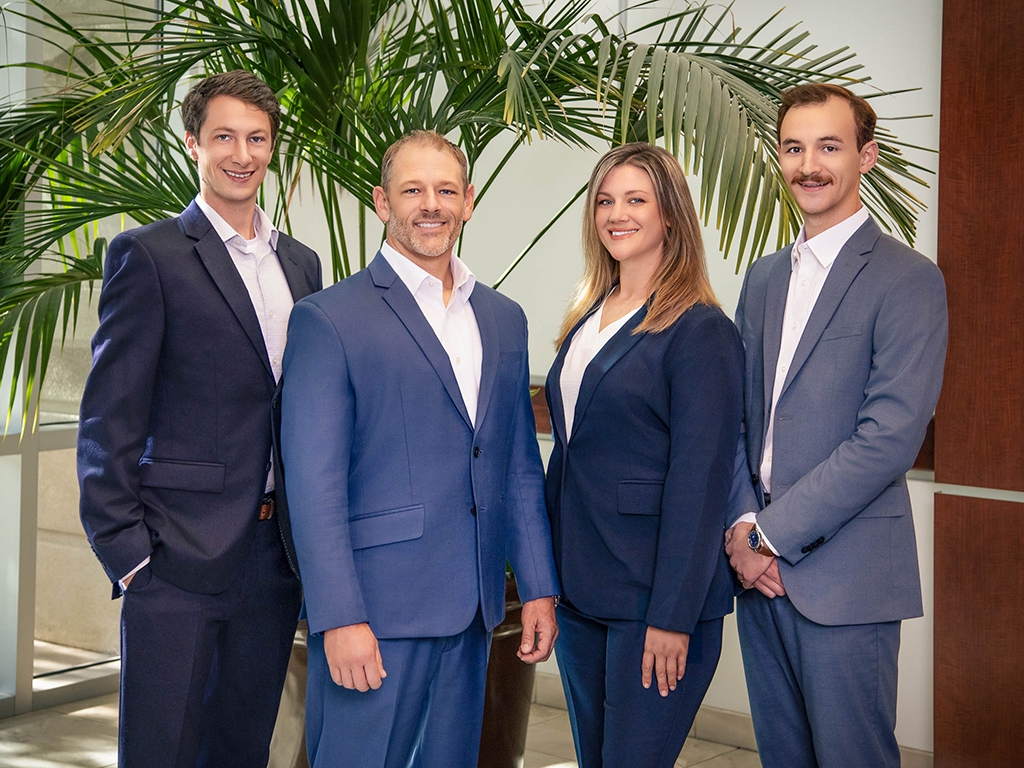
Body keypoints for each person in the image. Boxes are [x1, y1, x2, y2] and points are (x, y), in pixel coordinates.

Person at [278, 129, 560, 768]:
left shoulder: (503, 318)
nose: (431, 204)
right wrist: (338, 618)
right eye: (412, 190)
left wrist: (538, 586)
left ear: (468, 202)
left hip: (474, 613)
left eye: (446, 190)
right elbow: (313, 487)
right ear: (383, 202)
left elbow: (518, 465)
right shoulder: (328, 319)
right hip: (375, 616)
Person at [77, 70, 322, 768]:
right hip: (174, 559)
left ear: (271, 147)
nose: (242, 155)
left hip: (275, 561)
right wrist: (129, 557)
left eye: (257, 139)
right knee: (161, 752)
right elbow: (108, 420)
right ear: (194, 143)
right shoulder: (148, 255)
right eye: (224, 137)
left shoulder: (302, 265)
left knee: (241, 750)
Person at [725, 83, 948, 767]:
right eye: (794, 148)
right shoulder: (763, 279)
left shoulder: (908, 279)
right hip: (759, 579)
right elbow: (737, 419)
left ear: (866, 156)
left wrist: (768, 534)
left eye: (829, 146)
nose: (809, 165)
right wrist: (742, 526)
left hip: (847, 579)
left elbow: (888, 440)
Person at [544, 142, 744, 768]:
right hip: (581, 590)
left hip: (651, 601)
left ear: (670, 215)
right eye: (605, 200)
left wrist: (672, 616)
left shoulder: (701, 329)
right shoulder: (587, 317)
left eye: (636, 199)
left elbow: (699, 482)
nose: (616, 214)